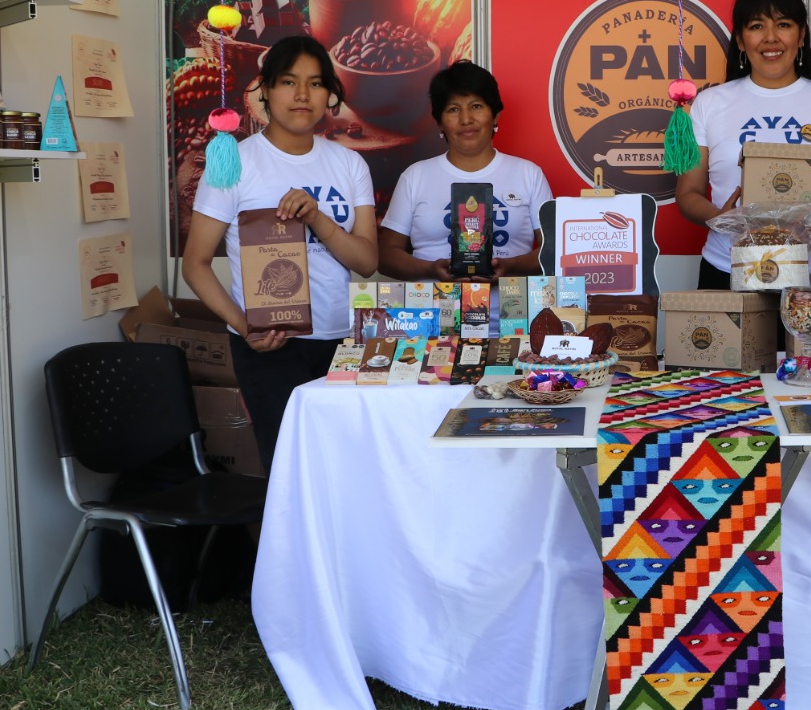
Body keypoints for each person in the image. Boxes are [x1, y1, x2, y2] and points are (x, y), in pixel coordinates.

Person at [184, 34, 378, 471]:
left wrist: (318, 218)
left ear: (330, 94)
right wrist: (245, 328)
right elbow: (195, 265)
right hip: (270, 346)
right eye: (289, 82)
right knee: (290, 469)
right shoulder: (235, 163)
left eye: (315, 83)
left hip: (341, 341)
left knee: (345, 468)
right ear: (266, 90)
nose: (302, 95)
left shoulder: (349, 164)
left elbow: (367, 263)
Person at [675, 0, 811, 288]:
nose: (770, 38)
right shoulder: (708, 103)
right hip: (728, 266)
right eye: (756, 26)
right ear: (741, 41)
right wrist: (721, 219)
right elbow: (688, 192)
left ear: (801, 35)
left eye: (783, 24)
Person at [377, 60, 552, 280]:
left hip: (510, 303)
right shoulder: (415, 176)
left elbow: (553, 250)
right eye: (453, 109)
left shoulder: (528, 174)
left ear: (495, 115)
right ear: (440, 123)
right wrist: (430, 269)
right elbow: (387, 258)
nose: (466, 119)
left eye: (476, 106)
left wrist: (510, 266)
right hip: (434, 302)